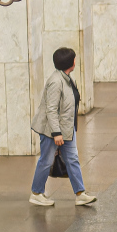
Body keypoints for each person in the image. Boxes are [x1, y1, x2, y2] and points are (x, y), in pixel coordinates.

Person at [29, 48, 96, 207]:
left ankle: (80, 193)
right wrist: (56, 133)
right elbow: (51, 109)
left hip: (66, 129)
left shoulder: (66, 78)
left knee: (72, 159)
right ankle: (36, 193)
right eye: (74, 59)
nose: (75, 61)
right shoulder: (56, 82)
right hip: (52, 131)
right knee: (46, 160)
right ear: (70, 63)